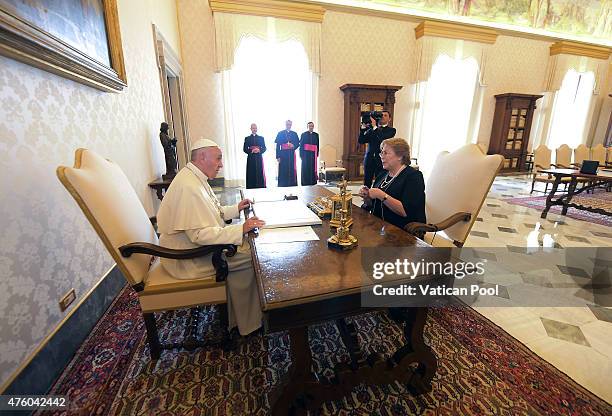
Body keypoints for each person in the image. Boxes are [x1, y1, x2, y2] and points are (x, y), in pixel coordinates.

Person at [157, 138, 265, 336]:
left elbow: (211, 213)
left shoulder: (194, 177)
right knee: (252, 256)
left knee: (248, 249)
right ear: (202, 156)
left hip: (188, 247)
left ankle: (237, 315)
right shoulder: (189, 186)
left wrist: (235, 209)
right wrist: (241, 229)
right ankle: (248, 324)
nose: (221, 164)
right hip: (187, 257)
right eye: (218, 158)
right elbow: (200, 234)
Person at [359, 138, 425, 230]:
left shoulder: (413, 177)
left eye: (386, 153)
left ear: (400, 156)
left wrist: (380, 194)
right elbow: (372, 204)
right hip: (379, 226)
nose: (381, 156)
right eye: (381, 153)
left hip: (402, 231)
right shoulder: (383, 174)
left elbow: (405, 212)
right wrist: (367, 196)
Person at [358, 110, 396, 187]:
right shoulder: (371, 130)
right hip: (369, 159)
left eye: (385, 115)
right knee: (367, 181)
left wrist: (375, 126)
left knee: (380, 181)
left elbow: (382, 139)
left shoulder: (391, 130)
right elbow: (361, 141)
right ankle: (366, 197)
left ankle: (377, 197)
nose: (383, 117)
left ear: (389, 119)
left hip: (382, 160)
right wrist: (362, 128)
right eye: (381, 115)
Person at [275, 120, 300, 187]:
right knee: (283, 170)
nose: (288, 125)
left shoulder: (294, 133)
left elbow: (298, 144)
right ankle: (283, 185)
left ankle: (292, 184)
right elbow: (278, 146)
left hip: (291, 154)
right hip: (283, 155)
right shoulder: (280, 133)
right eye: (287, 124)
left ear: (291, 125)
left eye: (290, 124)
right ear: (285, 124)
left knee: (292, 170)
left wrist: (293, 145)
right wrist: (278, 156)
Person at [243, 123, 266, 189]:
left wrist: (259, 150)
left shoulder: (261, 138)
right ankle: (251, 186)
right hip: (251, 158)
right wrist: (251, 151)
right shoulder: (247, 138)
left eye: (255, 128)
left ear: (257, 129)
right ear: (250, 129)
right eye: (253, 128)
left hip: (259, 158)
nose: (254, 129)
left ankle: (260, 186)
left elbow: (264, 148)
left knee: (259, 172)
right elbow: (244, 149)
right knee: (251, 172)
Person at [299, 121, 319, 186]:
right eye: (310, 126)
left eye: (312, 126)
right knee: (305, 168)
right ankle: (305, 182)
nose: (311, 127)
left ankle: (313, 182)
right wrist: (301, 155)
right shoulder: (303, 134)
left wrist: (317, 153)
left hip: (313, 155)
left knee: (313, 168)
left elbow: (317, 145)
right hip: (305, 155)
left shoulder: (316, 135)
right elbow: (301, 146)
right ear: (307, 127)